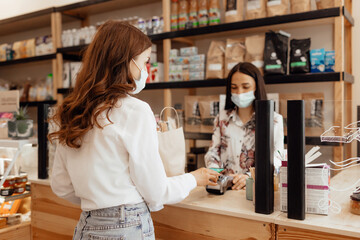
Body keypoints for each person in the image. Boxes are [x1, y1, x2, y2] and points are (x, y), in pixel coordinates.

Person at [49, 21, 219, 240]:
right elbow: (156, 191)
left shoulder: (73, 111)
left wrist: (99, 202)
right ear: (126, 61)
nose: (146, 70)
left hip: (87, 225)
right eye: (145, 62)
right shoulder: (135, 111)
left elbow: (61, 186)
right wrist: (194, 178)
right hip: (126, 225)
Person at [205, 62, 284, 190]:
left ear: (256, 88)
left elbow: (277, 157)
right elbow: (213, 152)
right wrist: (214, 172)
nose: (239, 92)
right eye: (234, 87)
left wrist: (251, 176)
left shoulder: (274, 120)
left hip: (255, 189)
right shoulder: (222, 118)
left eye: (245, 87)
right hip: (225, 188)